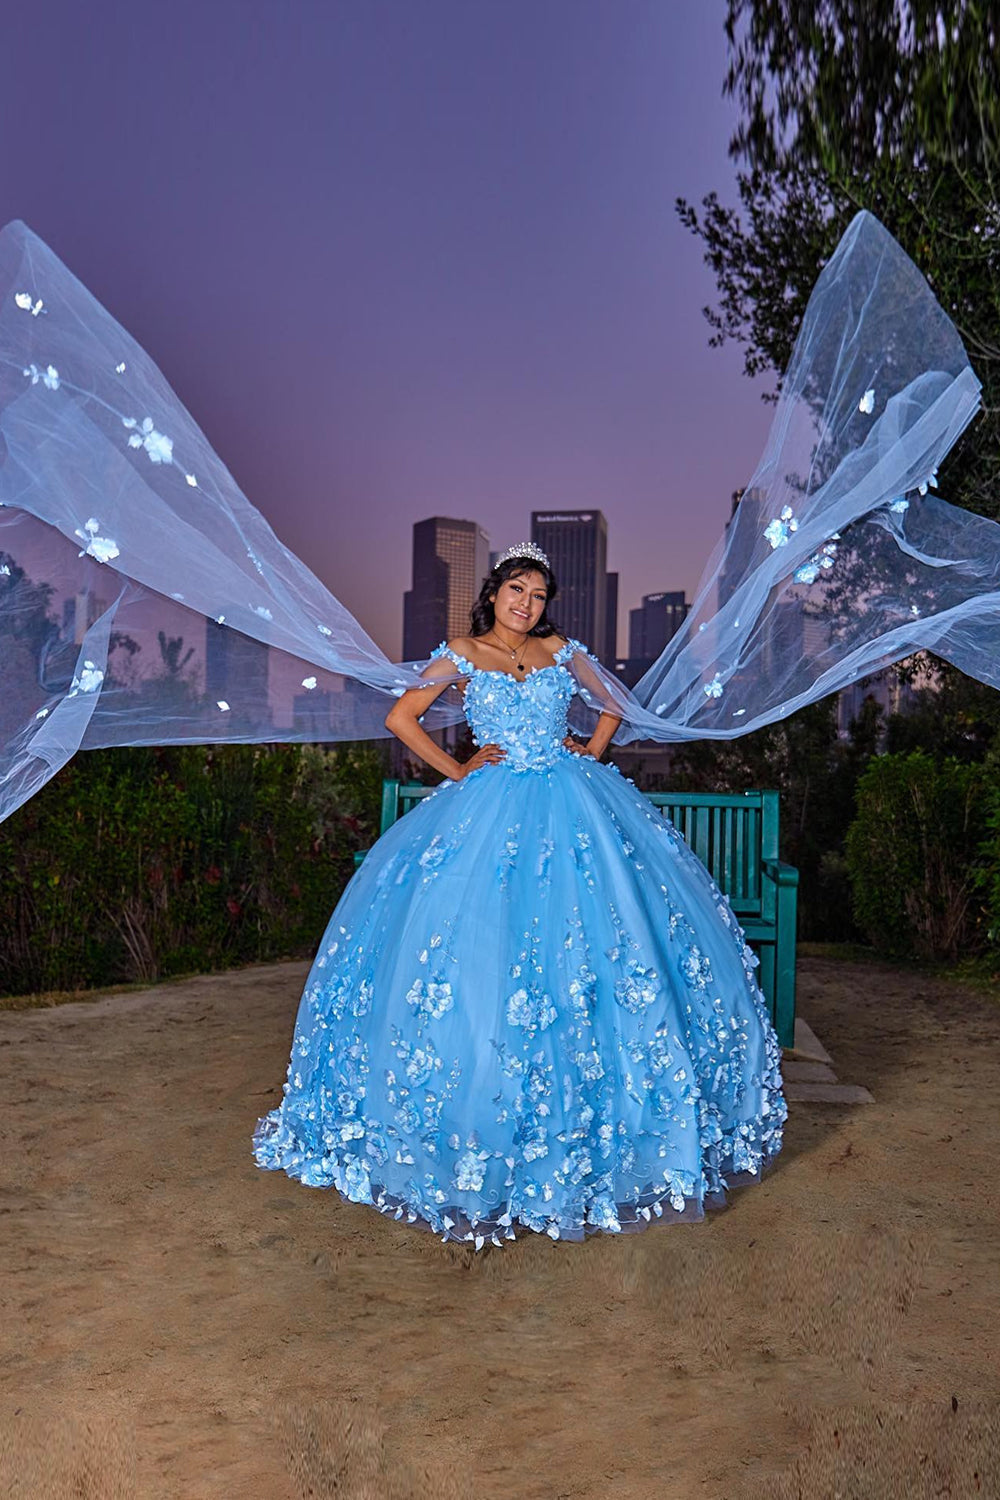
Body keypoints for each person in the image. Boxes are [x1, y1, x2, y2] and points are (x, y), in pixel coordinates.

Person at [252, 543, 785, 1246]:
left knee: (599, 945)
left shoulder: (560, 649)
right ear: (495, 591)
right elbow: (401, 718)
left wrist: (590, 752)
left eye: (537, 594)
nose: (526, 603)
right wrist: (461, 767)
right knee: (479, 956)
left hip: (575, 805)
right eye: (516, 589)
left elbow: (613, 704)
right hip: (490, 808)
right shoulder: (462, 652)